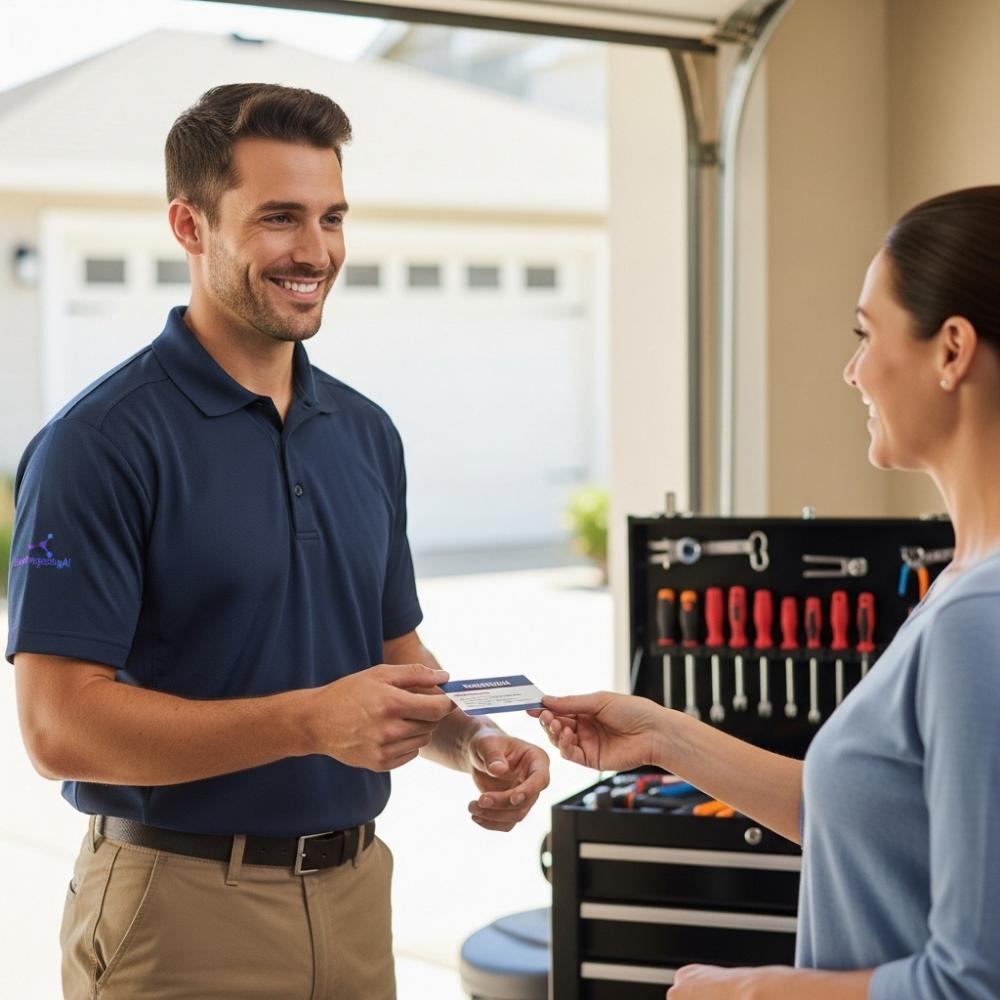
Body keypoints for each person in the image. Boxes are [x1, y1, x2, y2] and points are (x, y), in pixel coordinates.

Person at [7, 83, 549, 1000]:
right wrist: (307, 721)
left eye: (332, 216)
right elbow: (58, 729)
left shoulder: (365, 431)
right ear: (190, 224)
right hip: (176, 915)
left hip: (355, 897)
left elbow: (388, 655)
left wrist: (473, 738)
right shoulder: (98, 444)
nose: (316, 251)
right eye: (279, 218)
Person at [536, 186, 1000, 1000]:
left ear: (952, 349)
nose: (853, 372)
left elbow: (971, 983)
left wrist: (749, 992)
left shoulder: (979, 620)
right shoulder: (962, 587)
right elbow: (880, 830)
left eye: (865, 334)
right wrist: (662, 738)